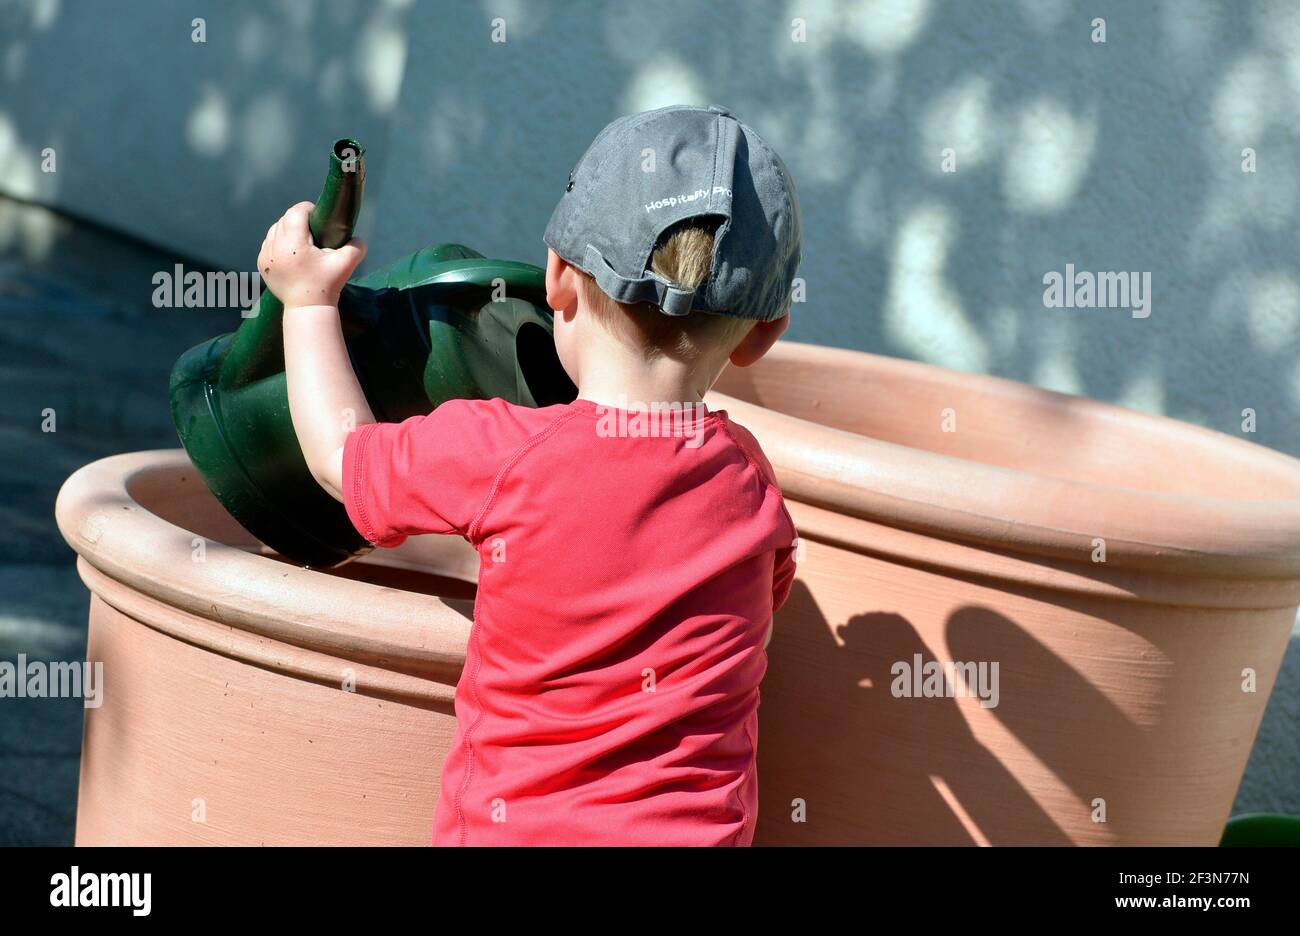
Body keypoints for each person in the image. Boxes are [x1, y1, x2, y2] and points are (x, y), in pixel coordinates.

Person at [261, 104, 803, 845]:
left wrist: (306, 303)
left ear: (557, 278)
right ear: (762, 336)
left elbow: (340, 457)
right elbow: (726, 592)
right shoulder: (750, 486)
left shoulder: (498, 452)